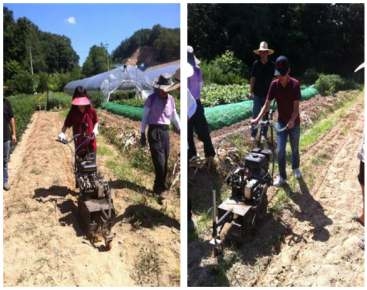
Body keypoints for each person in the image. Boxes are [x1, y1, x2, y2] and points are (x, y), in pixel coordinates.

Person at [251, 56, 301, 186]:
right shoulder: (274, 85)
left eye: (283, 75)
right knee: (280, 150)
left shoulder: (295, 85)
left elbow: (296, 109)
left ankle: (295, 167)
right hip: (281, 122)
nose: (281, 78)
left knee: (295, 147)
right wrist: (257, 118)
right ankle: (283, 177)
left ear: (288, 71)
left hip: (294, 123)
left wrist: (291, 121)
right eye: (279, 75)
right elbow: (266, 105)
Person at [140, 75, 180, 200]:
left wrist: (180, 128)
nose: (164, 92)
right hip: (154, 131)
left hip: (165, 133)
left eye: (167, 90)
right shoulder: (151, 99)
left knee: (165, 161)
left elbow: (174, 116)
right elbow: (145, 117)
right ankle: (159, 188)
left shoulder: (171, 99)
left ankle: (159, 186)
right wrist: (142, 133)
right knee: (160, 162)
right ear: (158, 89)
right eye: (162, 89)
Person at [187, 45, 216, 166]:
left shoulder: (196, 70)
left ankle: (195, 156)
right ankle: (202, 156)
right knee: (200, 130)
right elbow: (200, 86)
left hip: (191, 104)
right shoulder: (197, 70)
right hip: (195, 103)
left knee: (193, 131)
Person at [58, 86, 99, 156]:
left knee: (91, 165)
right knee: (79, 165)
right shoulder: (73, 112)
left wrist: (95, 129)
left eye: (83, 103)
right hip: (79, 145)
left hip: (91, 144)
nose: (81, 106)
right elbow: (66, 125)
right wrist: (62, 133)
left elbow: (96, 121)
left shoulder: (91, 110)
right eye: (79, 104)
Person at [249, 41, 275, 142]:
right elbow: (253, 78)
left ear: (267, 53)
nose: (262, 54)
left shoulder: (272, 65)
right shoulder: (256, 64)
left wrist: (274, 92)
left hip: (267, 95)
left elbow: (274, 79)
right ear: (259, 53)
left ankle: (264, 134)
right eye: (261, 52)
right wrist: (250, 91)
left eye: (264, 52)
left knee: (265, 114)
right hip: (257, 94)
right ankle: (253, 134)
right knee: (255, 114)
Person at [3, 98, 17, 191]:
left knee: (4, 161)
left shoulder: (6, 102)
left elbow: (11, 118)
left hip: (5, 137)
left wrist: (14, 133)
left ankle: (4, 181)